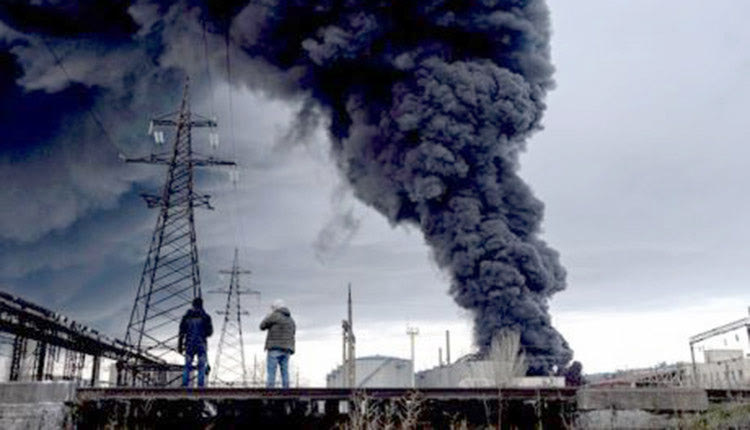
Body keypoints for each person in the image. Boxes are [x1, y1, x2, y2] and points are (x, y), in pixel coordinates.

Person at [260, 299, 296, 388]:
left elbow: (262, 326)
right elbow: (293, 332)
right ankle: (286, 390)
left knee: (271, 371)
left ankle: (270, 390)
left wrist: (268, 315)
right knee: (285, 371)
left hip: (274, 347)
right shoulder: (291, 320)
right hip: (287, 348)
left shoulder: (274, 316)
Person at [178, 297, 213, 387]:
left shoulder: (186, 317)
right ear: (201, 305)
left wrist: (180, 346)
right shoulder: (206, 317)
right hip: (201, 344)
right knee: (201, 365)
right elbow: (209, 332)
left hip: (189, 343)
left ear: (193, 305)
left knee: (187, 365)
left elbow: (181, 332)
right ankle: (200, 386)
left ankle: (185, 385)